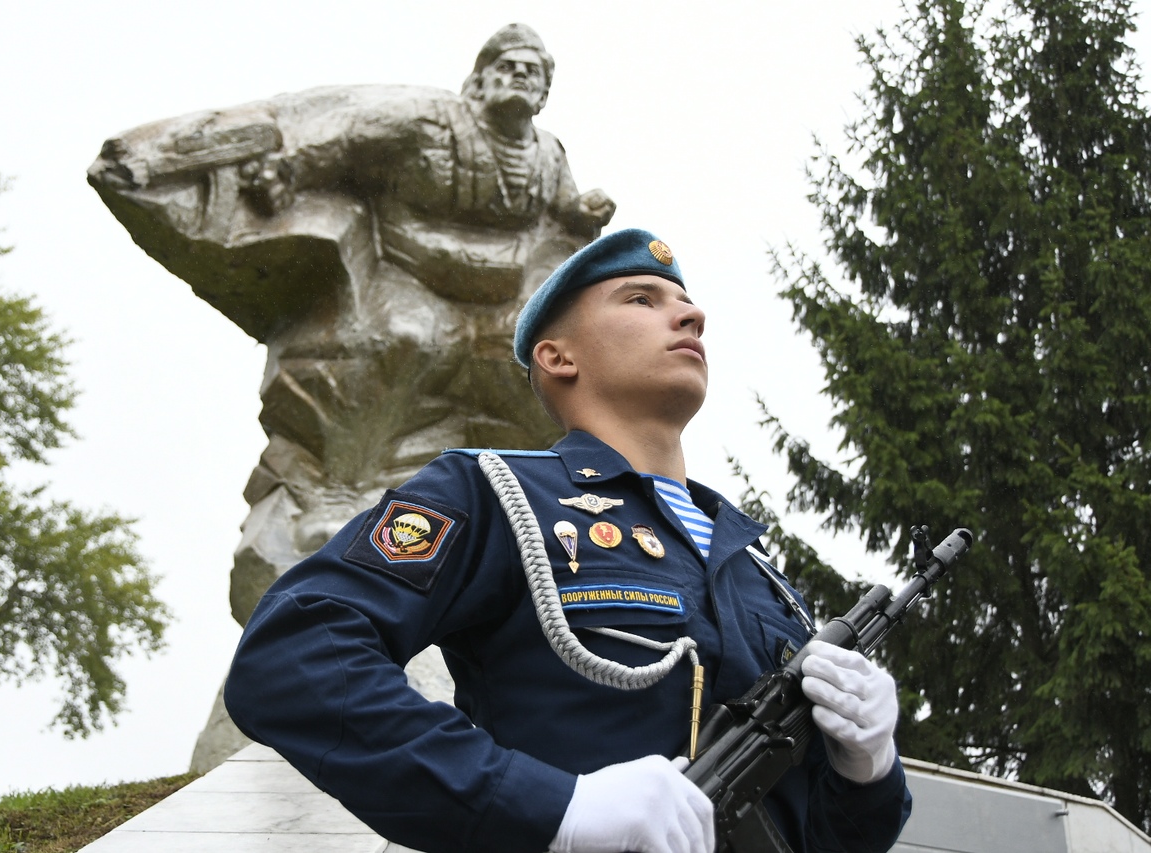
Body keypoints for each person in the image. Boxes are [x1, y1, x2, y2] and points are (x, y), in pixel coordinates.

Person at [224, 228, 912, 853]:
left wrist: (869, 768)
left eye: (687, 303)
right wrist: (558, 808)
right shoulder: (491, 493)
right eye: (641, 299)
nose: (690, 315)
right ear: (558, 356)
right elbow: (294, 656)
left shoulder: (757, 571)